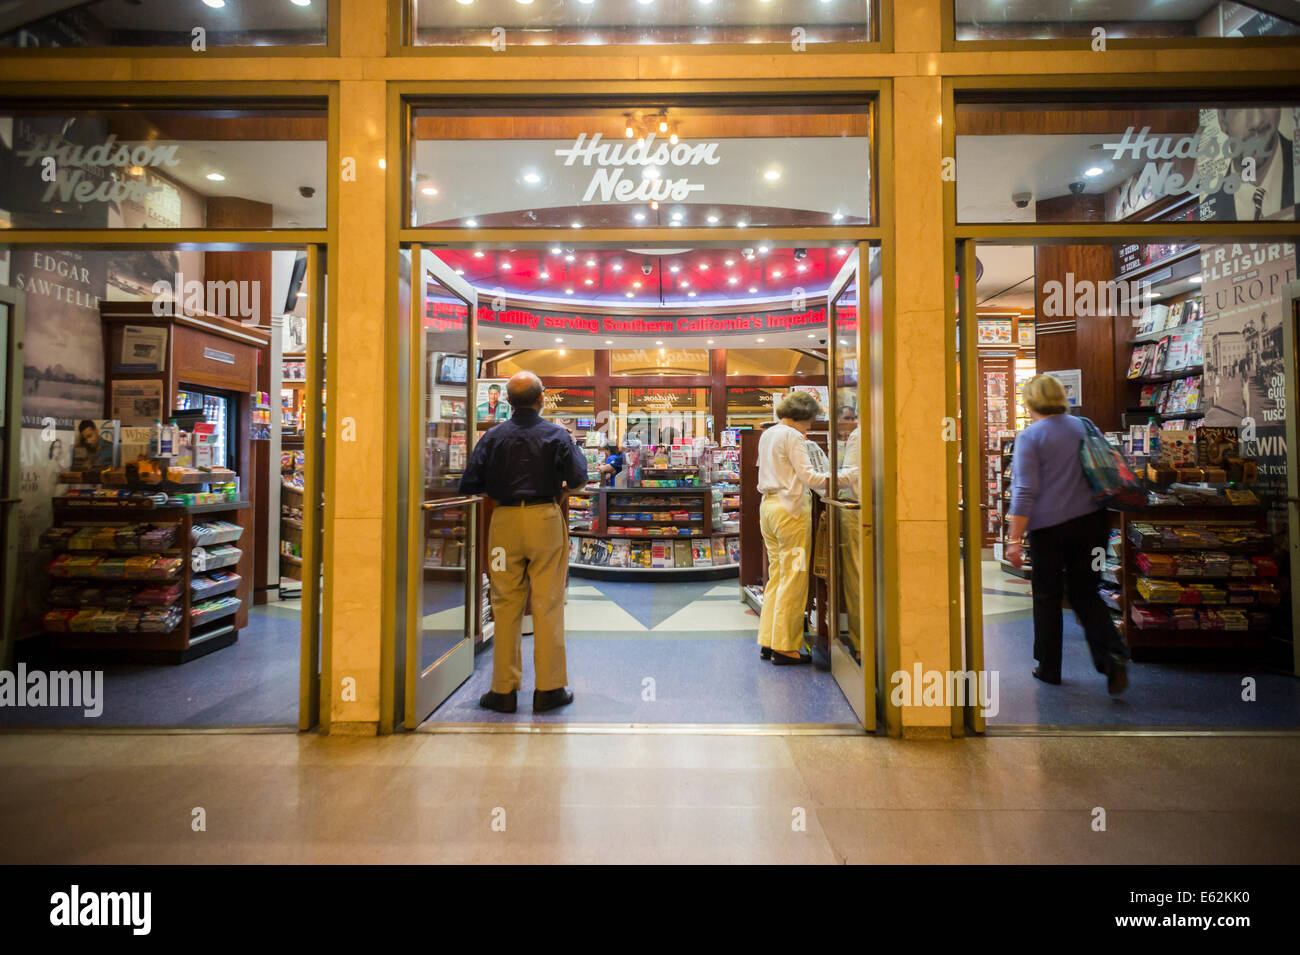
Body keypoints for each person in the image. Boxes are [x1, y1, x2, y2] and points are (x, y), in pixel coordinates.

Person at [459, 371, 588, 714]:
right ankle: (549, 689)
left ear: (506, 401)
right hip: (545, 519)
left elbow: (470, 482)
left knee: (504, 604)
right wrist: (559, 494)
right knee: (547, 603)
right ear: (541, 398)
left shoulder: (491, 437)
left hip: (503, 523)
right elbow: (578, 479)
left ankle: (503, 690)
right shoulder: (558, 435)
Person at [1006, 374, 1129, 695]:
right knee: (1086, 593)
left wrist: (1014, 538)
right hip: (1092, 525)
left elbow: (1025, 491)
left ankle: (1049, 668)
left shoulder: (1031, 437)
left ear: (1030, 401)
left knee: (1047, 596)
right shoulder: (1085, 426)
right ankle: (1112, 654)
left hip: (1048, 530)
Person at [755, 390, 844, 665]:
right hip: (790, 511)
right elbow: (809, 477)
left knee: (778, 576)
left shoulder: (768, 433)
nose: (812, 425)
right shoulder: (793, 436)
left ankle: (769, 640)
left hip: (768, 509)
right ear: (803, 416)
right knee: (794, 579)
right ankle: (785, 647)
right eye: (811, 420)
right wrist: (845, 479)